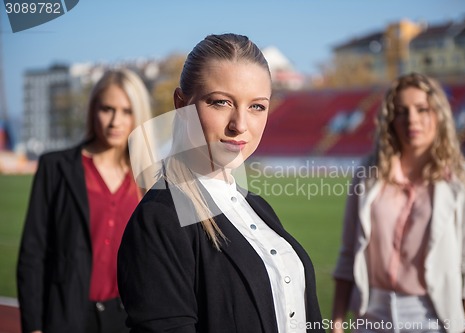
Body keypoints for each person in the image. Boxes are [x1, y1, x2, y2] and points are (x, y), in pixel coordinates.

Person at [117, 33, 324, 333]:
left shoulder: (257, 206)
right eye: (221, 102)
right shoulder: (160, 220)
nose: (240, 125)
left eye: (257, 107)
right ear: (181, 105)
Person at [331, 72, 465, 333]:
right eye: (402, 111)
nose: (412, 120)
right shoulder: (368, 173)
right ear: (391, 119)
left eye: (422, 109)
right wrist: (336, 324)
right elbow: (348, 253)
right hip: (371, 316)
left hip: (433, 317)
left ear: (439, 115)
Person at [17, 68, 153, 333]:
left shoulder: (148, 178)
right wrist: (33, 326)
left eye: (126, 111)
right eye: (107, 109)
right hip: (67, 315)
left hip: (129, 319)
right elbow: (32, 254)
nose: (115, 121)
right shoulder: (55, 167)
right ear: (93, 110)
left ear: (139, 115)